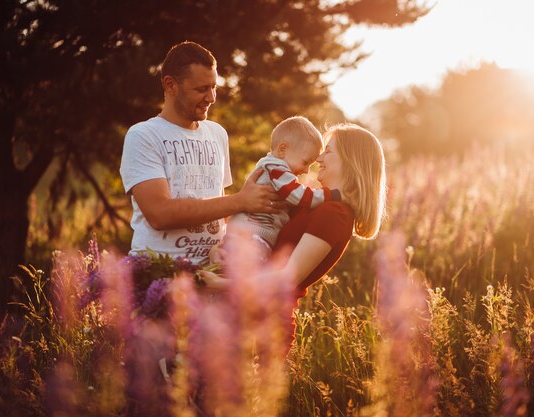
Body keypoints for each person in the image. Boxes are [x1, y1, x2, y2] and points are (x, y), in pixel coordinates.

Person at [120, 41, 283, 263]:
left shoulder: (217, 133)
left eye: (214, 86)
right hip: (159, 275)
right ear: (170, 85)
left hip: (211, 275)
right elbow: (159, 214)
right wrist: (241, 201)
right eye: (201, 89)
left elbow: (219, 209)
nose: (212, 97)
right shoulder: (143, 135)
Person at [200, 122, 386, 312]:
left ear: (350, 160)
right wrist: (220, 249)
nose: (319, 158)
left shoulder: (335, 213)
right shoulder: (313, 203)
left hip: (271, 327)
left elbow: (288, 278)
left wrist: (221, 283)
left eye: (328, 151)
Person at [225, 116, 342, 259]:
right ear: (282, 149)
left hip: (249, 235)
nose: (306, 171)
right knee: (248, 275)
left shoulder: (277, 171)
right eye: (305, 162)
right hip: (251, 236)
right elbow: (301, 196)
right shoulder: (276, 169)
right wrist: (330, 195)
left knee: (228, 269)